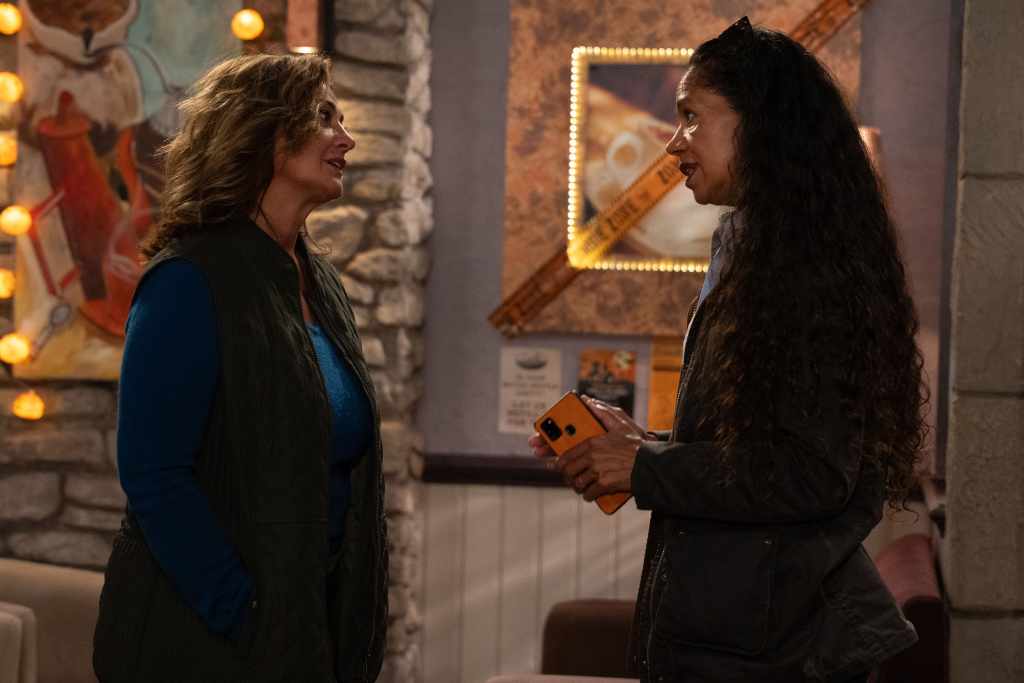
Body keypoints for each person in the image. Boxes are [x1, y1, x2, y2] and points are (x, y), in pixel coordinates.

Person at [530, 17, 927, 683]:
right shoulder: (752, 248)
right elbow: (754, 445)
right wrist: (643, 446)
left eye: (692, 116)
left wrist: (646, 466)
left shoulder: (806, 270)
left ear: (762, 125)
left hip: (778, 653)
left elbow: (810, 471)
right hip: (741, 640)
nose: (673, 142)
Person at [93, 54, 388, 683]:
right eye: (325, 117)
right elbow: (153, 475)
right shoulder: (188, 279)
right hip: (201, 641)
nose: (347, 139)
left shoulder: (319, 280)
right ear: (268, 135)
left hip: (302, 627)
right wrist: (243, 611)